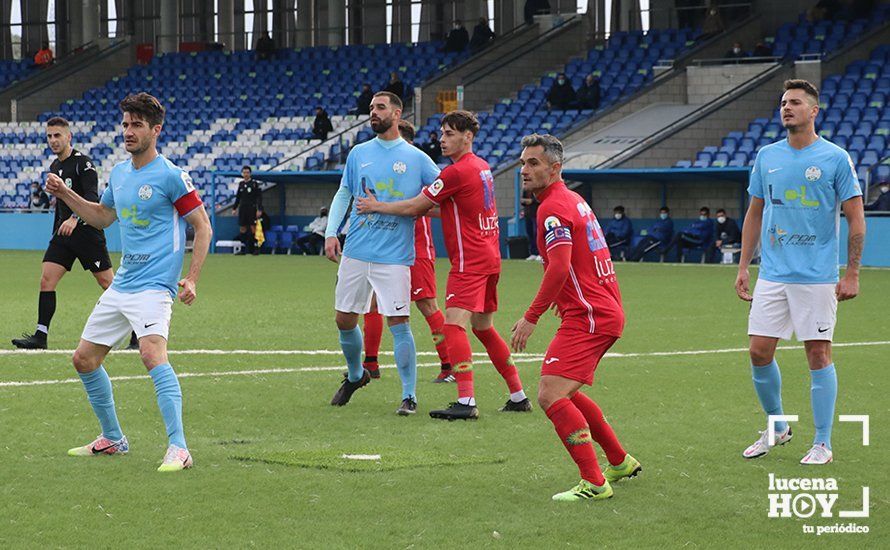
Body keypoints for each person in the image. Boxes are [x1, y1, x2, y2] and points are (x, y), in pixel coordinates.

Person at [44, 92, 212, 472]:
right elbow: (103, 217)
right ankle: (113, 439)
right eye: (125, 124)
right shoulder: (119, 173)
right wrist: (66, 193)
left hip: (155, 286)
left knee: (152, 354)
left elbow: (202, 226)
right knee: (84, 359)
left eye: (137, 125)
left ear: (156, 129)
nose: (128, 131)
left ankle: (179, 447)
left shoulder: (171, 175)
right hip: (123, 285)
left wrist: (193, 278)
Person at [356, 110, 531, 420]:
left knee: (453, 326)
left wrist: (376, 206)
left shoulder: (455, 172)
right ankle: (518, 395)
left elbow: (415, 205)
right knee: (484, 328)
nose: (442, 139)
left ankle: (466, 401)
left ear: (468, 137)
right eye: (442, 133)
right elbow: (450, 211)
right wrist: (414, 210)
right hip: (491, 256)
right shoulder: (482, 167)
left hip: (470, 262)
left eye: (450, 134)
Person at [735, 79, 865, 466]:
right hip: (772, 273)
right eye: (783, 102)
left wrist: (853, 272)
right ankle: (777, 425)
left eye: (795, 102)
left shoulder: (835, 158)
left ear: (814, 111)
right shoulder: (766, 156)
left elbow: (855, 218)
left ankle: (822, 442)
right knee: (759, 351)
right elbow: (754, 213)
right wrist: (744, 265)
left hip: (817, 276)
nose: (786, 108)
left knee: (818, 354)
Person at [510, 133, 640, 502]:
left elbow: (559, 265)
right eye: (523, 163)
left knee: (550, 395)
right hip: (598, 310)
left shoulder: (553, 207)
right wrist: (563, 295)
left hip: (590, 316)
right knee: (566, 390)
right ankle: (618, 460)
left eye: (534, 163)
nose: (525, 170)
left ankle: (595, 483)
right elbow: (570, 262)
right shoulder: (573, 200)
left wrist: (531, 316)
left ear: (556, 168)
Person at [322, 91, 441, 415]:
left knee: (399, 322)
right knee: (344, 319)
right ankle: (357, 374)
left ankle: (409, 395)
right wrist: (332, 231)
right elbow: (345, 192)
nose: (373, 112)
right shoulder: (359, 153)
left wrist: (418, 208)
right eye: (371, 108)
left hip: (394, 256)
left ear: (397, 114)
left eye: (380, 107)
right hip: (357, 250)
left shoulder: (417, 159)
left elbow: (443, 198)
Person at [12, 117, 137, 351]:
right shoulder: (54, 168)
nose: (53, 140)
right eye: (49, 136)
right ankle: (41, 335)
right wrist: (57, 229)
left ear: (69, 137)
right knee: (47, 279)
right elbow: (60, 204)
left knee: (108, 283)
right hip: (64, 234)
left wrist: (74, 218)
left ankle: (138, 333)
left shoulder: (84, 164)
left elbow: (92, 198)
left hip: (87, 232)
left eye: (57, 135)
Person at [361, 120, 454, 384]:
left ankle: (449, 366)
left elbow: (444, 205)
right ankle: (371, 364)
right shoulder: (385, 169)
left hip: (416, 248)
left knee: (426, 304)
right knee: (373, 302)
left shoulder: (420, 168)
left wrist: (415, 207)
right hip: (385, 247)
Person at [232, 166, 263, 255]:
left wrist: (259, 209)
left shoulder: (254, 184)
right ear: (242, 174)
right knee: (242, 228)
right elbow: (238, 197)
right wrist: (234, 208)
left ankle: (255, 248)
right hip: (243, 208)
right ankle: (243, 248)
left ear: (250, 174)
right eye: (244, 172)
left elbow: (259, 197)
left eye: (247, 172)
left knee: (253, 227)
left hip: (252, 208)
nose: (246, 174)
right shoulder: (241, 184)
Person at [521, 189, 540, 260]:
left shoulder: (538, 187)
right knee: (530, 233)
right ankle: (533, 253)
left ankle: (539, 253)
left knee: (536, 233)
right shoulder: (526, 190)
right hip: (528, 214)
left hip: (536, 214)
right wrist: (524, 201)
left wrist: (532, 201)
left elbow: (540, 199)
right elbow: (523, 200)